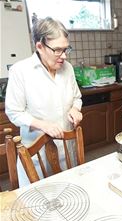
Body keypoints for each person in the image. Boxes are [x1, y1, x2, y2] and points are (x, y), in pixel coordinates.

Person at [5, 17, 82, 186]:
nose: (64, 56)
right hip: (35, 152)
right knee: (38, 200)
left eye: (66, 49)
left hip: (65, 150)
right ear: (39, 46)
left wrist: (75, 109)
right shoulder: (21, 71)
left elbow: (77, 97)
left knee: (69, 194)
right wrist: (42, 124)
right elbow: (14, 112)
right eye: (57, 50)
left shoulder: (67, 68)